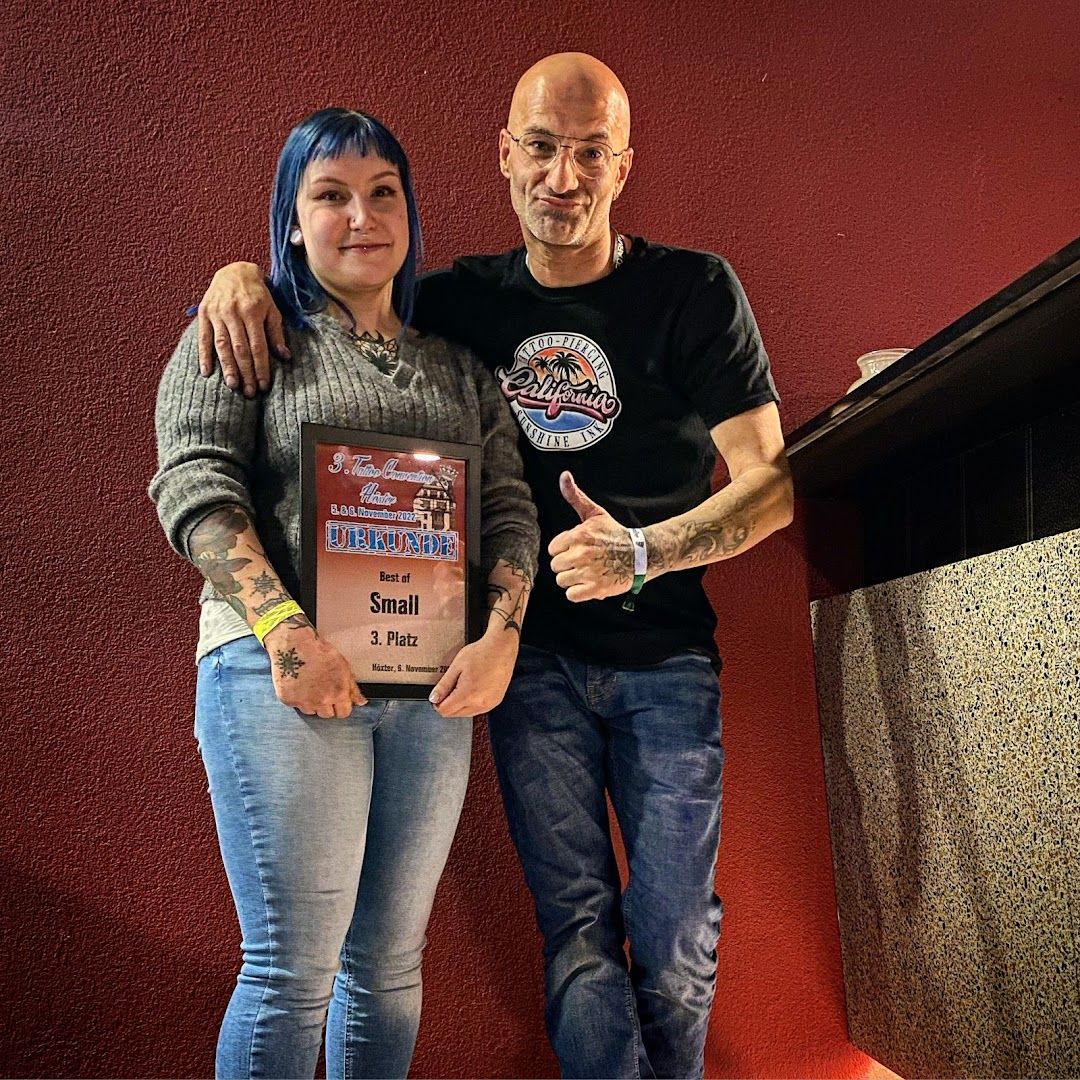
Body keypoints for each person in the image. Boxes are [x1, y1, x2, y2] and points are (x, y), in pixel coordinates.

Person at [192, 54, 794, 1080]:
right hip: (525, 674)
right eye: (545, 148)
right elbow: (328, 289)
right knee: (573, 937)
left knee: (679, 944)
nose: (565, 176)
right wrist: (240, 274)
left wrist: (648, 550)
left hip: (662, 660)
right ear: (507, 157)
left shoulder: (691, 289)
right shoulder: (457, 306)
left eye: (591, 151)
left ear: (623, 164)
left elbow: (772, 484)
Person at [149, 107, 538, 1080]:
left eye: (382, 193)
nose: (361, 215)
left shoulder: (457, 370)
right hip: (281, 682)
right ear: (290, 217)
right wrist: (285, 630)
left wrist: (502, 635)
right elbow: (195, 486)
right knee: (291, 972)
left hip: (429, 694)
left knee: (391, 968)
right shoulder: (241, 333)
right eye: (330, 195)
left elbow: (509, 512)